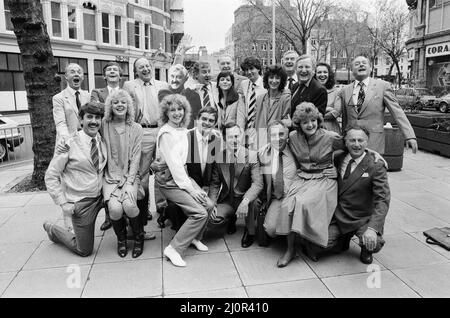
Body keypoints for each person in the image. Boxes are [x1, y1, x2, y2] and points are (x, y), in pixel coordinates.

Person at [155, 94, 215, 267]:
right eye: (172, 110)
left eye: (179, 109)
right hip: (170, 181)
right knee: (200, 212)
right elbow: (174, 166)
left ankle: (195, 238)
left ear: (185, 110)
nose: (176, 113)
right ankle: (174, 249)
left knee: (209, 205)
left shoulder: (181, 130)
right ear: (166, 113)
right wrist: (192, 189)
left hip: (182, 177)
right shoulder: (166, 133)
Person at [279, 102, 341, 266]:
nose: (310, 124)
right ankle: (290, 250)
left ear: (318, 120)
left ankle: (310, 244)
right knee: (287, 205)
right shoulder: (293, 137)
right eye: (305, 121)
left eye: (313, 120)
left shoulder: (330, 137)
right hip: (302, 178)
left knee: (302, 203)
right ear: (298, 124)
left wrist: (338, 170)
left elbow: (355, 147)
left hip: (323, 179)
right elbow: (276, 144)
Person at [43, 102, 106, 257]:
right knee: (84, 250)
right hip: (81, 201)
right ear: (81, 120)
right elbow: (50, 176)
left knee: (124, 204)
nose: (94, 121)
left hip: (102, 196)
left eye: (97, 118)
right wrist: (63, 203)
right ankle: (53, 230)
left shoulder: (102, 140)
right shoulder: (68, 144)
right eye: (89, 117)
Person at [325, 126, 390, 264]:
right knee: (320, 245)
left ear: (367, 142)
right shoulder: (337, 157)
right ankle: (343, 239)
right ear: (345, 142)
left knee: (374, 243)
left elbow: (382, 200)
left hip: (362, 218)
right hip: (340, 216)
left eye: (361, 140)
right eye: (352, 140)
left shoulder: (376, 165)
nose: (356, 144)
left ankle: (366, 249)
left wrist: (372, 228)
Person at [152, 106, 222, 231]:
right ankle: (168, 213)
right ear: (197, 120)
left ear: (215, 123)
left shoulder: (215, 141)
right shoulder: (186, 137)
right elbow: (172, 164)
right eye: (204, 119)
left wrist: (212, 202)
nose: (207, 123)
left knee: (210, 219)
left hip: (201, 188)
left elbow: (215, 178)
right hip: (183, 186)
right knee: (178, 219)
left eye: (211, 121)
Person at [335, 55, 417, 154]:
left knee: (373, 168)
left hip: (373, 142)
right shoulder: (345, 90)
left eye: (364, 63)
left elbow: (398, 113)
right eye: (357, 64)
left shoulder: (382, 87)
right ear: (352, 70)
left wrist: (409, 135)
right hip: (352, 142)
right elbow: (345, 118)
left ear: (370, 68)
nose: (361, 65)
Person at [123, 57, 168, 225]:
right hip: (143, 131)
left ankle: (162, 208)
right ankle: (144, 207)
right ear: (136, 71)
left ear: (152, 67)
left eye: (147, 66)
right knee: (142, 173)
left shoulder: (163, 85)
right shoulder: (129, 86)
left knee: (162, 170)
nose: (145, 69)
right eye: (141, 67)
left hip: (162, 130)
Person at [102, 89, 145, 258]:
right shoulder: (103, 125)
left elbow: (135, 158)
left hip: (129, 176)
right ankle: (121, 239)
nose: (120, 105)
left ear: (129, 106)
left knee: (129, 204)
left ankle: (138, 237)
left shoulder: (136, 128)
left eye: (123, 102)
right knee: (114, 209)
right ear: (110, 106)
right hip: (111, 177)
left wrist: (129, 183)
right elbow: (84, 130)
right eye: (115, 102)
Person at [212, 124, 264, 248]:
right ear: (225, 139)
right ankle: (231, 219)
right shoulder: (219, 157)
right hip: (227, 200)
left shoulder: (251, 155)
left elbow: (258, 183)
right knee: (213, 219)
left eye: (237, 136)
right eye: (230, 137)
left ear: (241, 136)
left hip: (245, 198)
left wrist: (245, 201)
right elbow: (215, 184)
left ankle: (249, 231)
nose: (234, 140)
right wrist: (212, 203)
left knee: (253, 203)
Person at [257, 121, 300, 264]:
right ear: (269, 136)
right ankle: (286, 231)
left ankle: (291, 249)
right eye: (273, 135)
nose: (278, 138)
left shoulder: (296, 149)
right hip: (278, 197)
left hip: (296, 195)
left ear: (287, 134)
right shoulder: (263, 154)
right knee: (270, 229)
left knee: (291, 216)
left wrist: (370, 151)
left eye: (281, 134)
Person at [90, 61, 123, 231]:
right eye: (109, 70)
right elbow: (95, 107)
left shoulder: (126, 91)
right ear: (104, 76)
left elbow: (132, 108)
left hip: (123, 136)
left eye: (115, 70)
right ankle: (109, 216)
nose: (112, 71)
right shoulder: (97, 92)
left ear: (120, 75)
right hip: (105, 138)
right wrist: (118, 105)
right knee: (106, 175)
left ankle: (126, 211)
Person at [254, 65, 291, 148]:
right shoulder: (260, 98)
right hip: (259, 143)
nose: (274, 81)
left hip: (277, 143)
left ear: (282, 80)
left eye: (277, 78)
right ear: (267, 79)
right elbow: (255, 122)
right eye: (271, 77)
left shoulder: (286, 98)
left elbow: (286, 122)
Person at [53, 63, 91, 143]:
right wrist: (68, 140)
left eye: (79, 72)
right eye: (72, 72)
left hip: (87, 141)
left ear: (83, 77)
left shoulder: (89, 96)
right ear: (66, 77)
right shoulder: (58, 98)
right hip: (69, 142)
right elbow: (60, 123)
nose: (76, 74)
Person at [158, 64, 202, 129]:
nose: (174, 80)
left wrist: (194, 137)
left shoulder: (194, 95)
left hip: (188, 134)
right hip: (170, 134)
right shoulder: (163, 93)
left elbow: (197, 119)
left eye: (179, 77)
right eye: (172, 76)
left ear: (186, 78)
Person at [236, 57, 267, 148]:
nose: (249, 72)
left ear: (258, 69)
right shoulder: (244, 84)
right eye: (246, 70)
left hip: (261, 128)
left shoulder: (266, 84)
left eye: (251, 69)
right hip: (247, 128)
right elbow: (242, 109)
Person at [315, 62, 341, 134]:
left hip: (331, 128)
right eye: (319, 72)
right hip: (313, 128)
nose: (322, 75)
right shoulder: (310, 91)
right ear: (315, 74)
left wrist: (316, 115)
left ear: (329, 74)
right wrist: (328, 109)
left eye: (325, 72)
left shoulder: (336, 92)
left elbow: (336, 113)